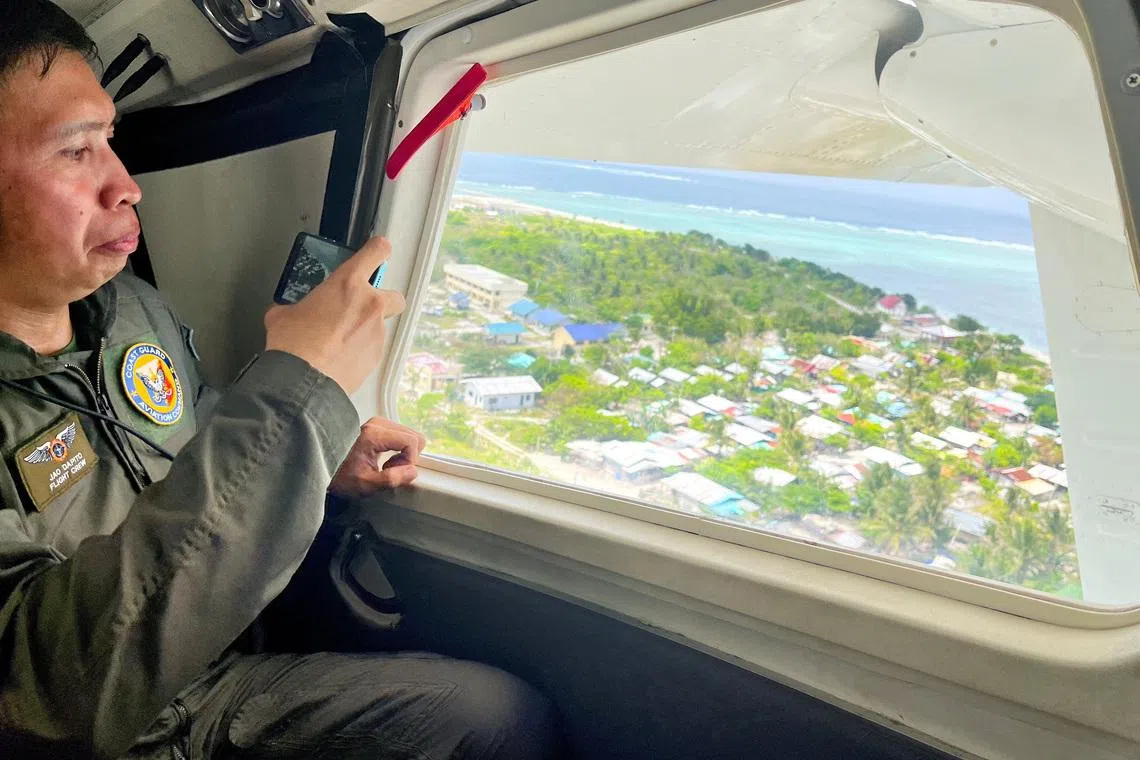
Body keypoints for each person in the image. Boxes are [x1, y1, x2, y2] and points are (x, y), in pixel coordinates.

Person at [0, 2, 559, 758]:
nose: (126, 186)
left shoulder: (129, 306)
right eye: (75, 153)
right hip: (99, 733)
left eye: (111, 140)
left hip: (218, 683)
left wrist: (319, 457)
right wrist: (299, 392)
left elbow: (193, 431)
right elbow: (51, 691)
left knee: (493, 720)